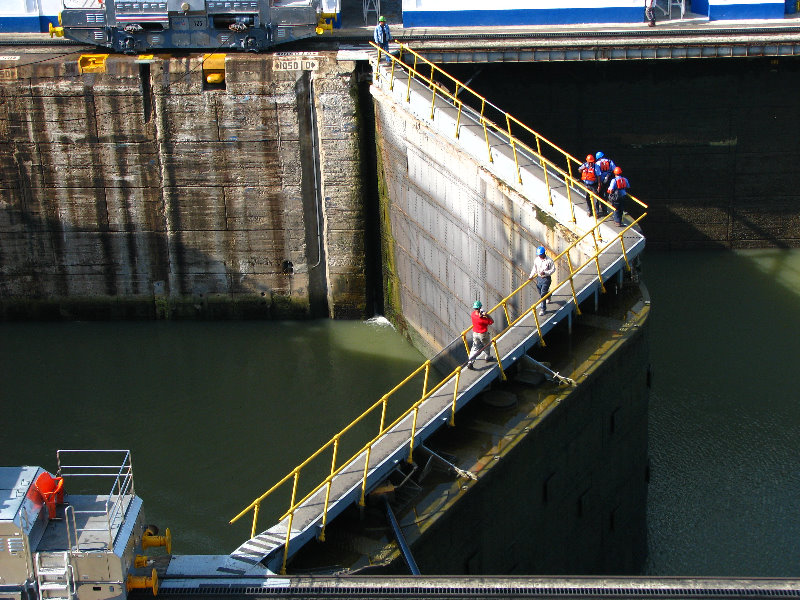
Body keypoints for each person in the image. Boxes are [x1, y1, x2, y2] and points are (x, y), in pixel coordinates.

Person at [528, 246, 555, 316]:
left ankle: (543, 309)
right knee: (540, 292)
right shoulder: (537, 260)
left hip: (546, 279)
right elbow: (534, 268)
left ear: (543, 253)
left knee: (542, 294)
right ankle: (548, 295)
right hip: (539, 278)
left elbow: (553, 270)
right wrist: (531, 276)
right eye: (538, 254)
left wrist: (546, 273)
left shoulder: (549, 261)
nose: (539, 256)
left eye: (540, 254)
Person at [467, 300, 494, 370]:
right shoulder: (482, 319)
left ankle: (470, 362)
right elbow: (491, 321)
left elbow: (478, 315)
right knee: (486, 345)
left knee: (475, 348)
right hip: (483, 334)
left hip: (475, 334)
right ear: (480, 307)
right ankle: (487, 357)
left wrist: (482, 315)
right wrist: (487, 315)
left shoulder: (473, 314)